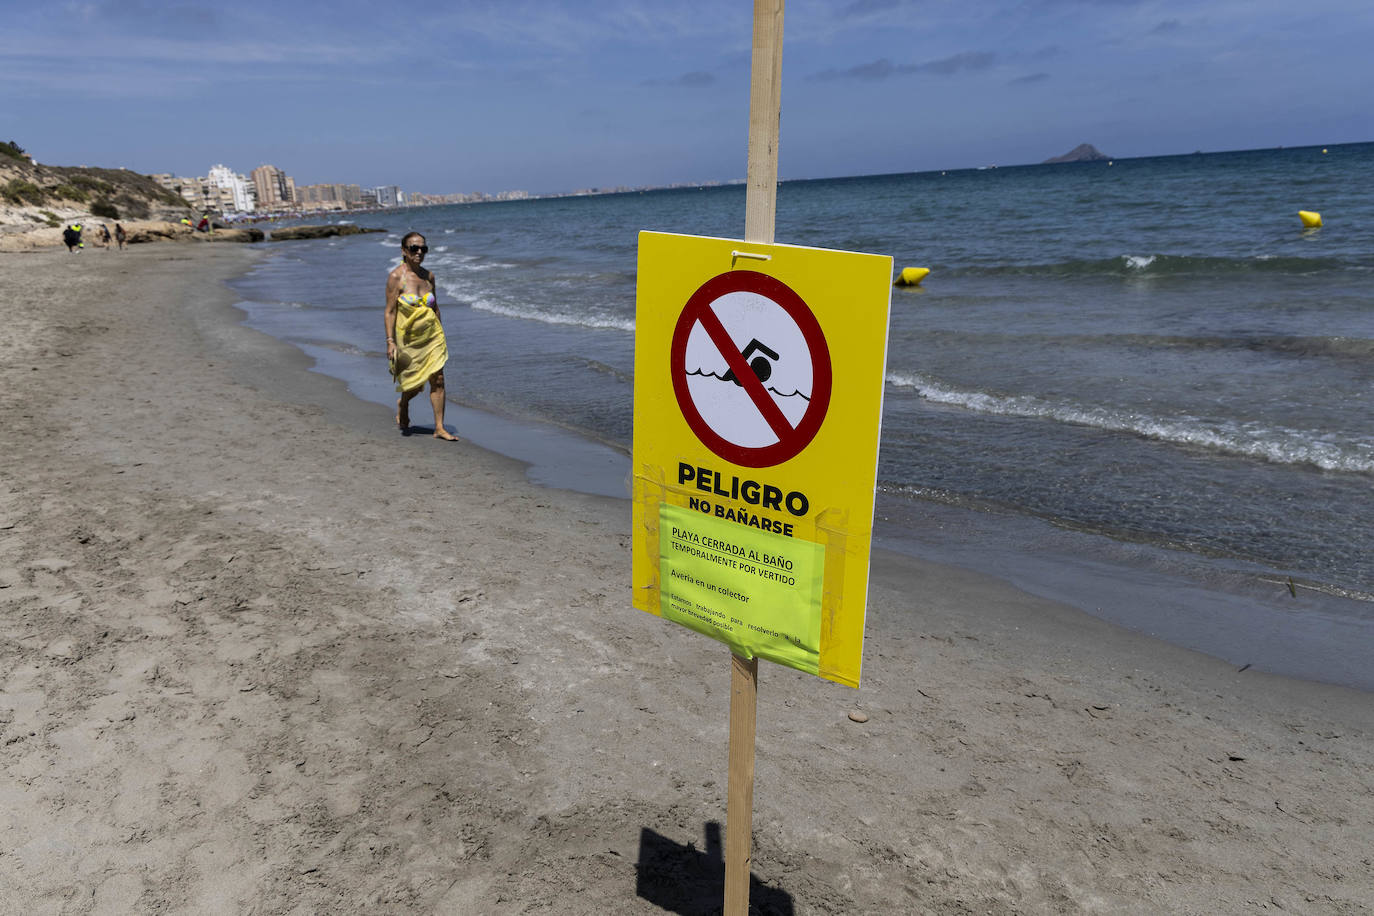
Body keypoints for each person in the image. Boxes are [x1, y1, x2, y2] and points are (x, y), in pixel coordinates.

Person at [384, 232, 457, 440]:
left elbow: (436, 308)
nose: (419, 252)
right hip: (408, 339)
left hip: (432, 337)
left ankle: (439, 427)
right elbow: (389, 311)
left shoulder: (429, 276)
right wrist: (390, 342)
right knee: (414, 384)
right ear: (403, 251)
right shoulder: (396, 278)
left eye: (423, 249)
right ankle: (404, 403)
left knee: (438, 379)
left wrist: (441, 335)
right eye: (413, 248)